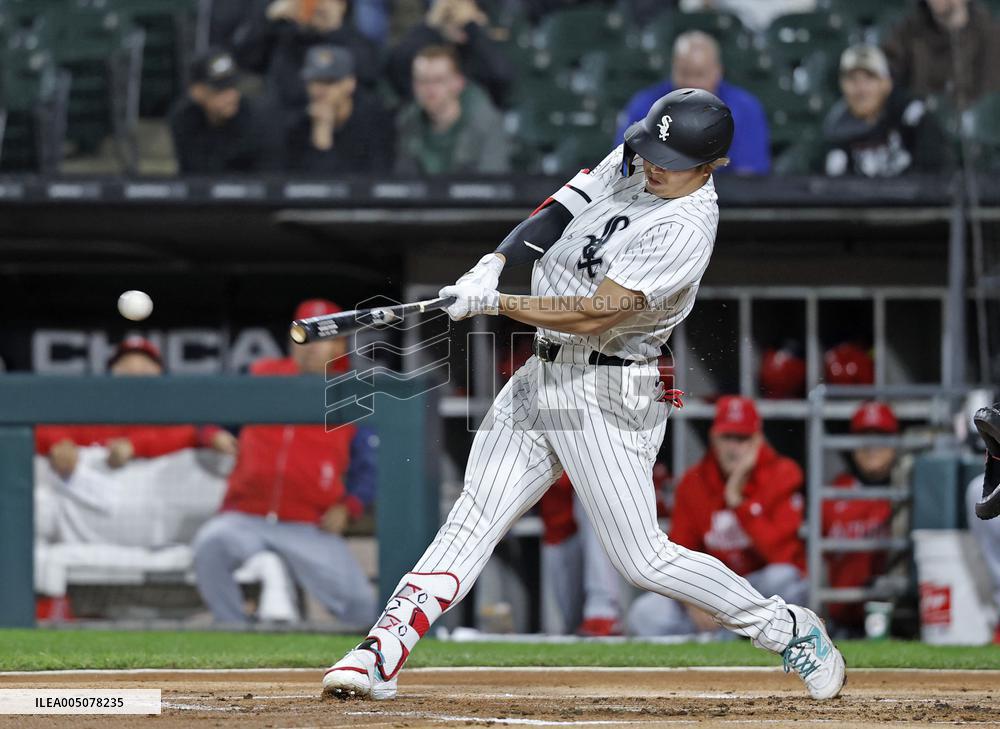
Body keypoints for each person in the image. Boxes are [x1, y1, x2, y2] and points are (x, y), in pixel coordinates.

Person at [323, 88, 845, 702]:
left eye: (669, 159)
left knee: (642, 560)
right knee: (473, 516)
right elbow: (563, 207)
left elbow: (598, 315)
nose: (651, 163)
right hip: (542, 371)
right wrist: (496, 260)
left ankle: (787, 629)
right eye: (652, 147)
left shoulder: (686, 227)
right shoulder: (641, 152)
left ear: (708, 167)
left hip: (609, 387)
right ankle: (381, 649)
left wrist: (496, 303)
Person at [192, 299, 379, 627]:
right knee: (210, 543)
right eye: (303, 335)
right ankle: (234, 631)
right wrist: (214, 435)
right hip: (244, 516)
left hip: (308, 525)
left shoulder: (352, 393)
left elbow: (372, 465)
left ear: (338, 344)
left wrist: (349, 506)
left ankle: (355, 663)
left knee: (362, 606)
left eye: (320, 337)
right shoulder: (261, 376)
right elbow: (206, 416)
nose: (309, 347)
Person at [626, 396, 808, 637]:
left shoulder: (783, 473)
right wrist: (693, 599)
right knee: (644, 612)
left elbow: (780, 555)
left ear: (758, 441)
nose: (734, 447)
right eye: (727, 437)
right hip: (712, 591)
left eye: (742, 439)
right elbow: (680, 551)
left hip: (756, 589)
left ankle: (723, 636)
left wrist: (737, 500)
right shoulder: (693, 482)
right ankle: (729, 636)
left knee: (785, 579)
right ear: (713, 437)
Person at [615, 31, 770, 175]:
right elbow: (626, 167)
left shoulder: (745, 108)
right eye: (684, 73)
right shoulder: (645, 105)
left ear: (718, 72)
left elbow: (749, 176)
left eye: (699, 74)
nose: (691, 83)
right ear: (673, 69)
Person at [823, 401, 899, 634]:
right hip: (841, 619)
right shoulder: (834, 492)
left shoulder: (904, 492)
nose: (871, 445)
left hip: (897, 617)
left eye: (880, 436)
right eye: (864, 435)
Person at [817, 44, 949, 178]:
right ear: (842, 85)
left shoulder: (913, 118)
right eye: (852, 79)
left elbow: (936, 171)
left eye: (870, 78)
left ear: (887, 84)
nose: (861, 89)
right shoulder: (835, 130)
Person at [233, 0, 379, 117]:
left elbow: (368, 74)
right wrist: (268, 20)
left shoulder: (354, 41)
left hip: (334, 124)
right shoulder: (285, 34)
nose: (317, 6)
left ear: (342, 5)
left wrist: (334, 30)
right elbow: (245, 60)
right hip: (283, 119)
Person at [395, 45, 510, 175]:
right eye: (422, 81)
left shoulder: (484, 123)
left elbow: (493, 184)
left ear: (458, 83)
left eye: (438, 80)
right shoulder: (408, 122)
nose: (429, 89)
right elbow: (403, 181)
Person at [168, 49, 283, 174]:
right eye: (219, 89)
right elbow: (189, 172)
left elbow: (268, 180)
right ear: (197, 91)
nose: (231, 95)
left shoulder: (258, 119)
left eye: (233, 86)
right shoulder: (183, 119)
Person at [283, 45, 394, 173]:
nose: (319, 90)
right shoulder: (298, 125)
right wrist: (321, 135)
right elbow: (295, 184)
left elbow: (373, 181)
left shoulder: (374, 122)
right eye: (314, 81)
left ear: (350, 83)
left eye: (329, 82)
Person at [539, 474, 625, 636]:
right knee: (569, 621)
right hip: (560, 525)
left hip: (603, 514)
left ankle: (604, 612)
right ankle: (593, 617)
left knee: (594, 492)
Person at [387, 0, 514, 108]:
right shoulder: (431, 39)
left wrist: (472, 28)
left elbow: (501, 75)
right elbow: (397, 62)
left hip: (475, 120)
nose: (460, 26)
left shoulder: (477, 46)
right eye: (452, 17)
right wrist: (431, 25)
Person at [882, 0, 1000, 109]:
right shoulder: (908, 34)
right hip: (927, 121)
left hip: (982, 122)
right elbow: (884, 74)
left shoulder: (991, 36)